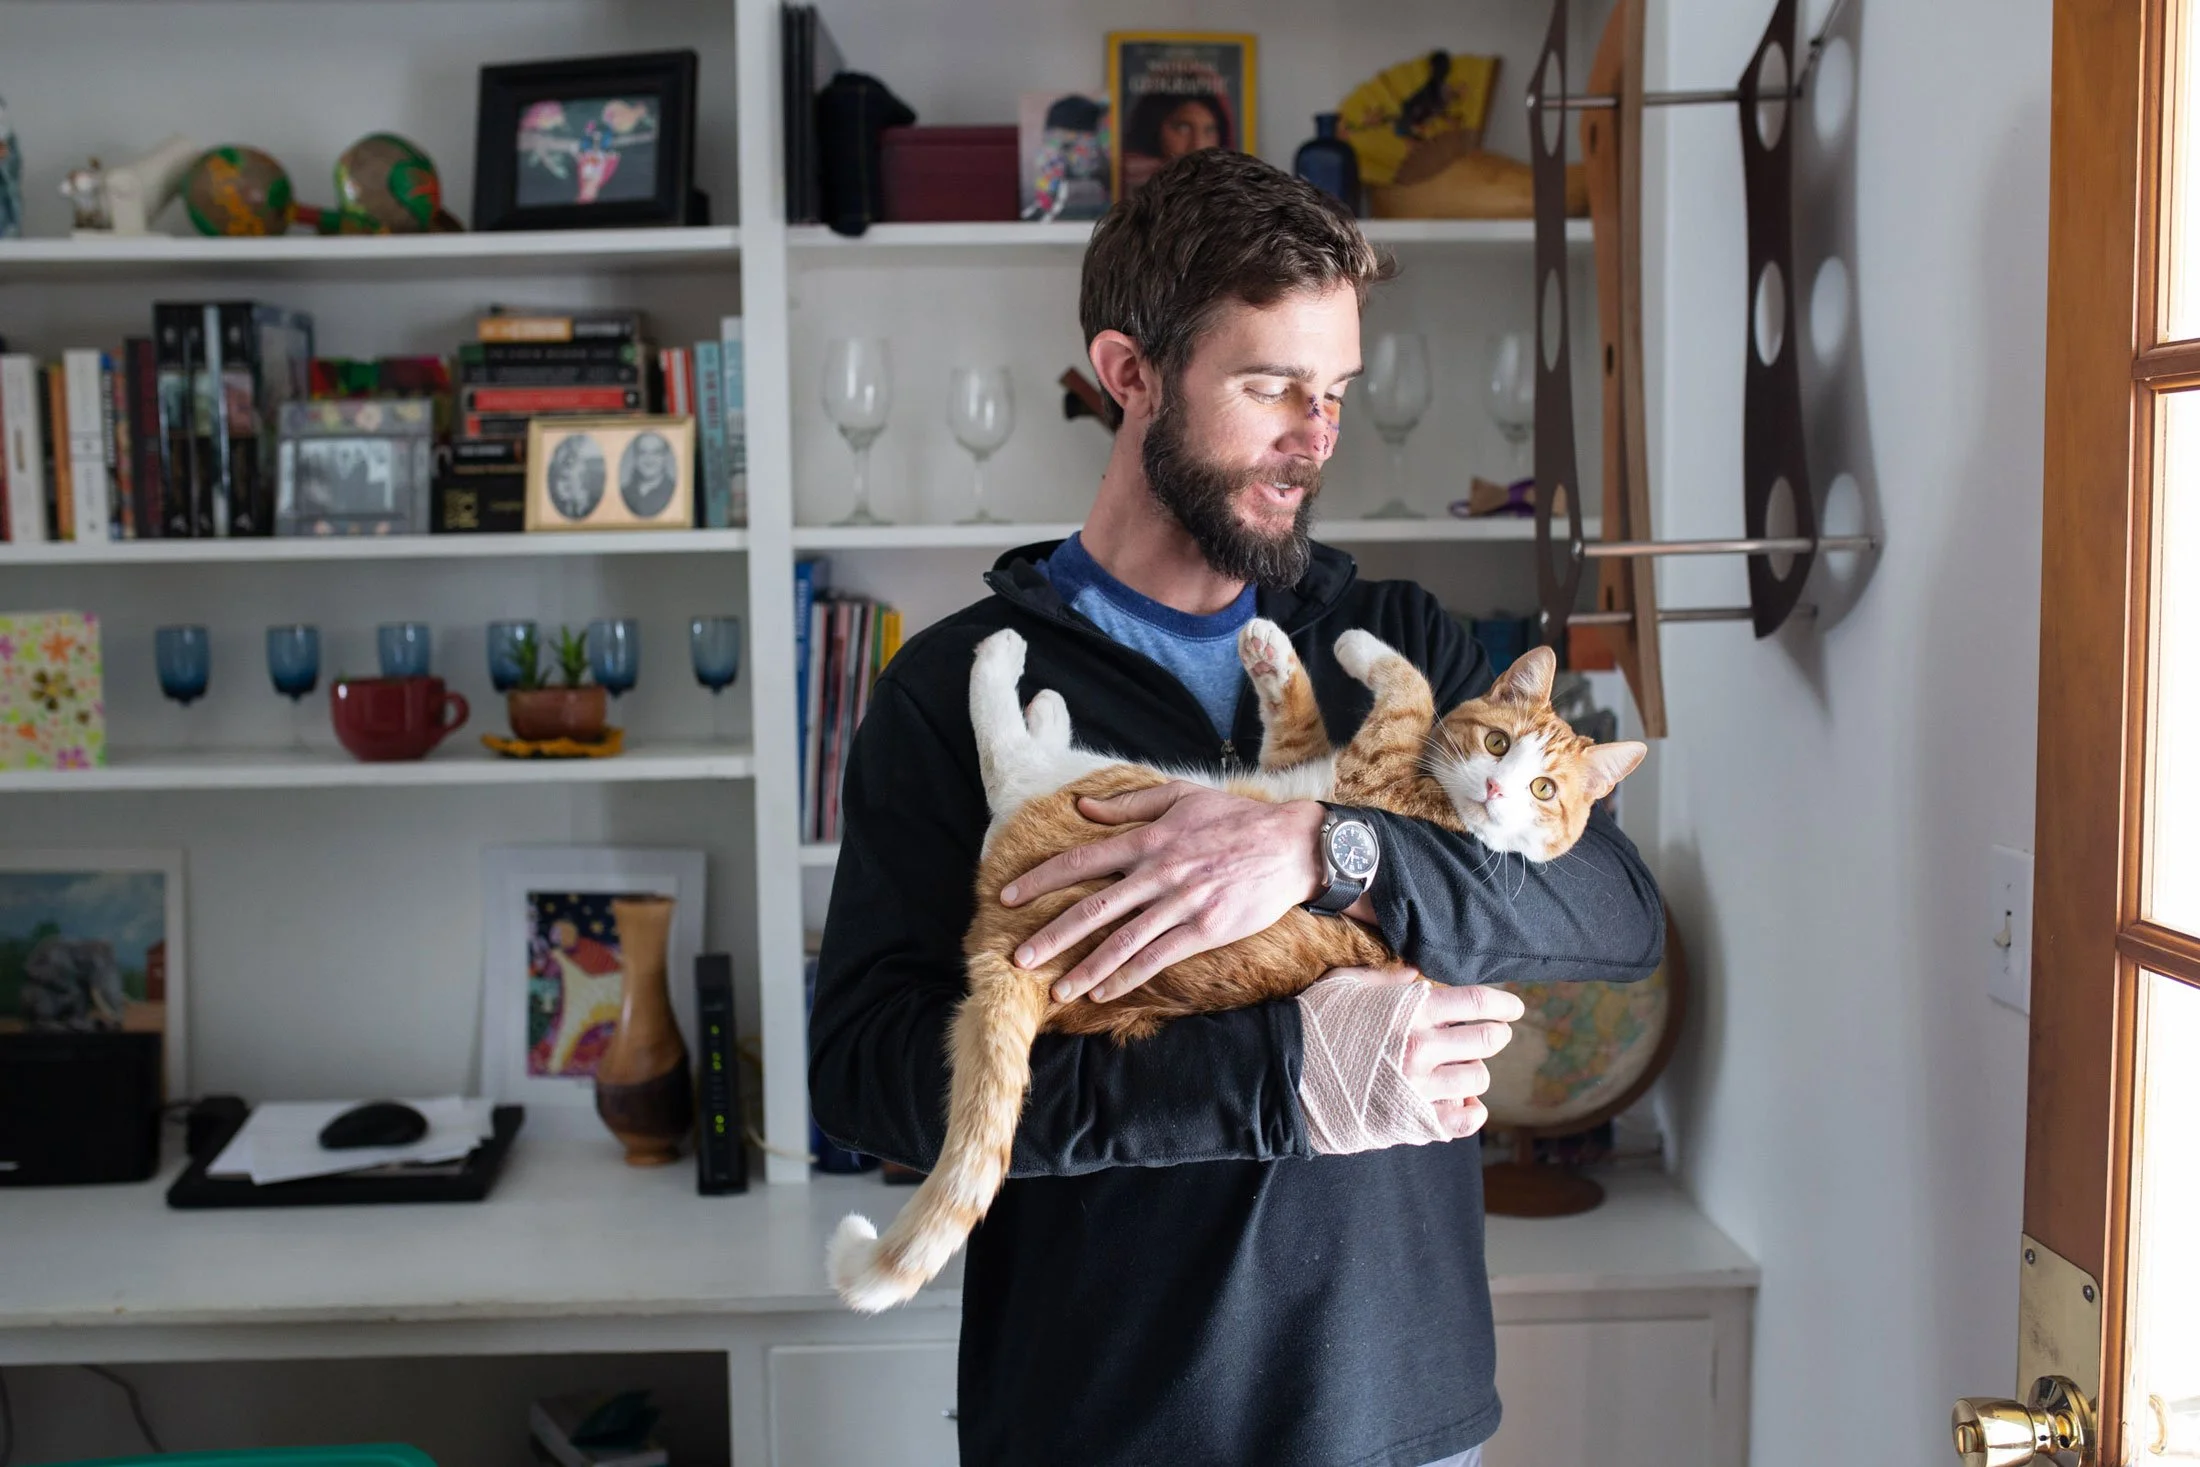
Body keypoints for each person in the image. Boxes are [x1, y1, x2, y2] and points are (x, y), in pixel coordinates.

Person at [809, 149, 1664, 1467]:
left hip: (1403, 1413)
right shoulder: (959, 687)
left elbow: (1611, 908)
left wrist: (1329, 846)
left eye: (1335, 391)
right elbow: (868, 1074)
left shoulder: (1397, 636)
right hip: (1105, 1419)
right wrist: (1278, 1078)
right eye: (1270, 384)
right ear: (1130, 372)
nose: (1317, 435)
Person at [619, 430, 677, 517]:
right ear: (635, 457)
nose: (649, 459)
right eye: (643, 452)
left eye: (656, 452)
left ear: (665, 457)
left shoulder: (674, 492)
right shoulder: (625, 493)